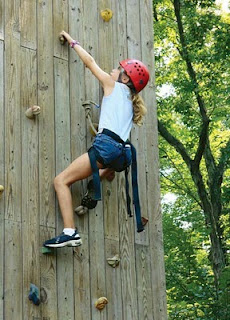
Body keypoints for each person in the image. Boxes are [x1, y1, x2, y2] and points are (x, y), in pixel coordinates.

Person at [43, 30, 150, 248]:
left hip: (107, 147)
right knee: (109, 165)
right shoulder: (131, 102)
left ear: (125, 77)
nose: (113, 70)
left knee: (61, 181)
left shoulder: (112, 86)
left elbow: (90, 62)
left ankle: (70, 232)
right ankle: (101, 176)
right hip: (124, 155)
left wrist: (72, 41)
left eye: (118, 69)